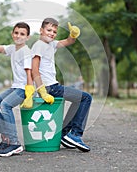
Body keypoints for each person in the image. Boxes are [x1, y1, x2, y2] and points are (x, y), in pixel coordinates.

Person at [31, 18, 92, 152]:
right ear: (41, 30)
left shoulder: (51, 44)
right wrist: (41, 89)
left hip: (53, 85)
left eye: (54, 31)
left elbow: (68, 41)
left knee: (79, 100)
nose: (52, 33)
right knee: (86, 98)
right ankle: (75, 134)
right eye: (48, 30)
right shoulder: (39, 45)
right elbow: (34, 69)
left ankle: (64, 134)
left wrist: (73, 35)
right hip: (49, 87)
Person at [0, 22, 35, 157]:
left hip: (24, 88)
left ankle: (14, 144)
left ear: (27, 37)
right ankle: (6, 139)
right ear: (12, 34)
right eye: (16, 33)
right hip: (15, 86)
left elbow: (29, 73)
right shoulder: (12, 49)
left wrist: (29, 93)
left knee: (5, 105)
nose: (18, 36)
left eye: (22, 34)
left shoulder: (26, 52)